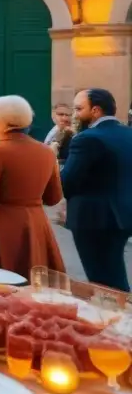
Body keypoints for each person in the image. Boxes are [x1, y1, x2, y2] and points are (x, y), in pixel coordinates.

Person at [0, 95, 65, 277]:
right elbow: (53, 198)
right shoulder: (46, 152)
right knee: (34, 282)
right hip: (36, 223)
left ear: (1, 121)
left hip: (2, 224)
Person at [62, 88, 132, 291]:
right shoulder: (128, 133)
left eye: (78, 109)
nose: (74, 114)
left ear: (96, 110)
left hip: (94, 219)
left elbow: (67, 182)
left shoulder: (86, 139)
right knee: (113, 273)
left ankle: (120, 319)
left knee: (103, 281)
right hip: (123, 215)